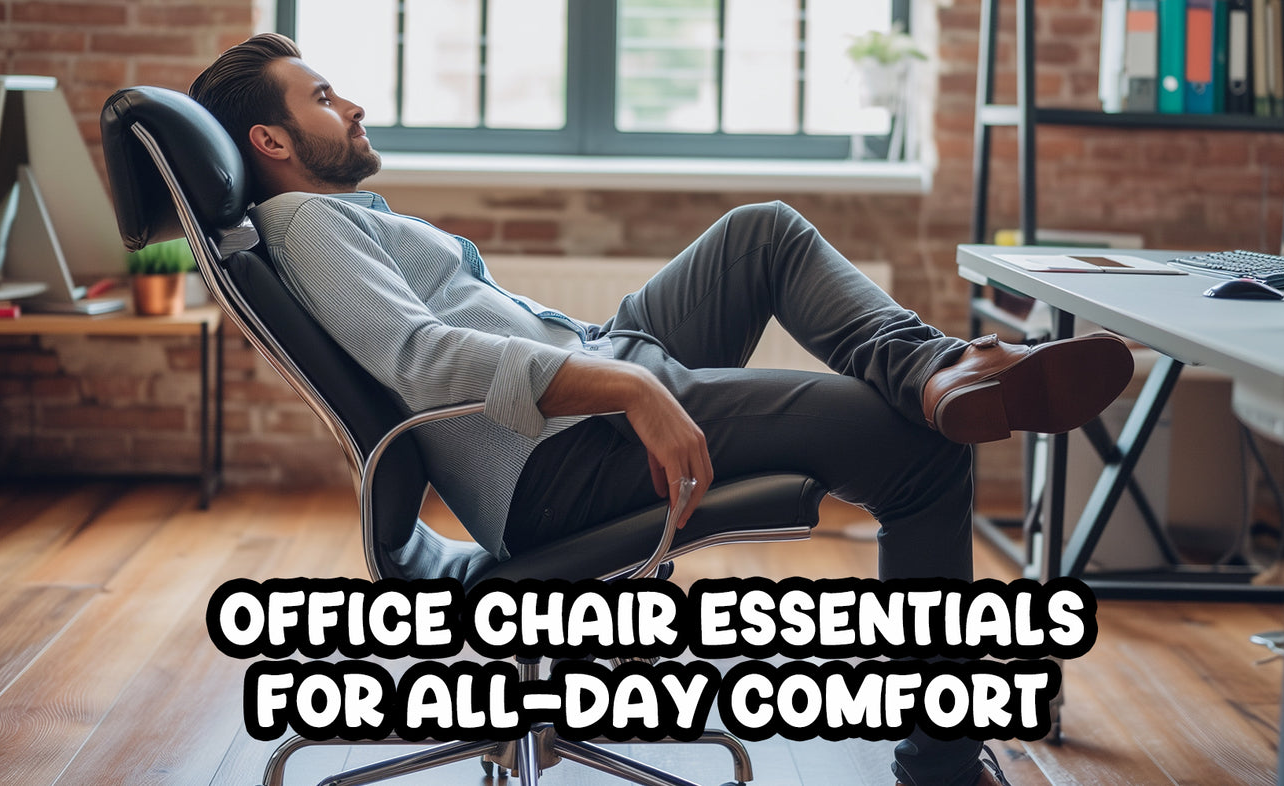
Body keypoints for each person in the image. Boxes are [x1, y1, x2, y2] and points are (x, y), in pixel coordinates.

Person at [189, 33, 1132, 786]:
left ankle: (934, 372)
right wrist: (635, 386)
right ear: (270, 143)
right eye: (322, 99)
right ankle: (942, 766)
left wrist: (618, 365)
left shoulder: (321, 219)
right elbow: (423, 361)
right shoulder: (303, 223)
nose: (350, 106)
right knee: (921, 459)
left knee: (761, 234)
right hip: (560, 461)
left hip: (584, 382)